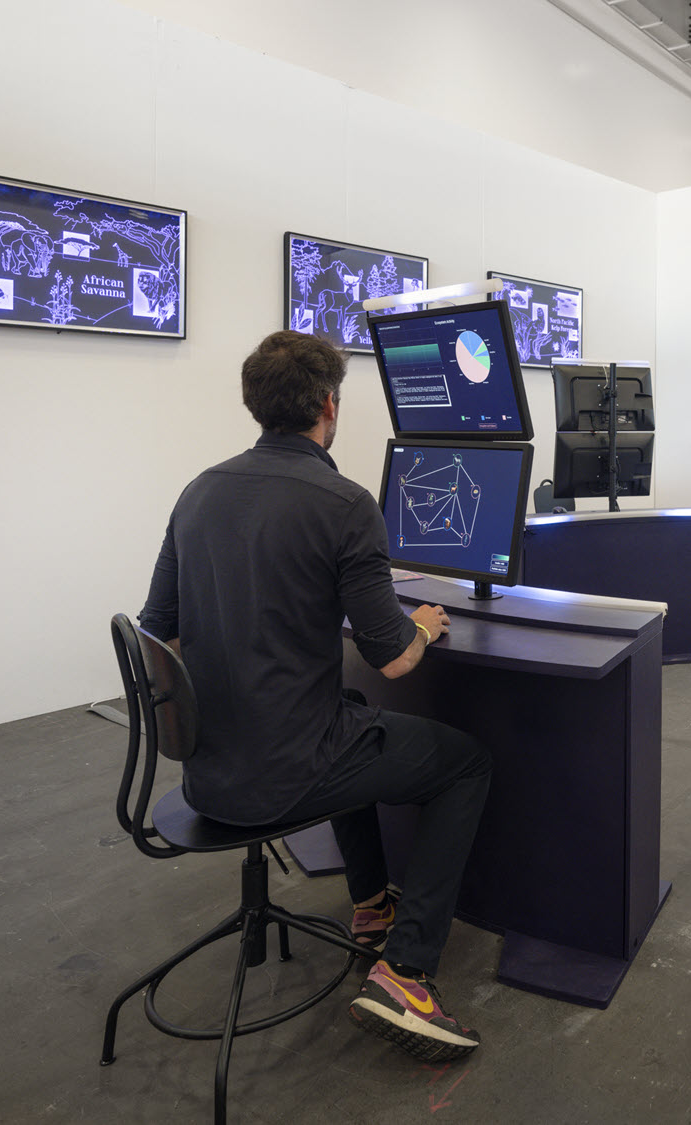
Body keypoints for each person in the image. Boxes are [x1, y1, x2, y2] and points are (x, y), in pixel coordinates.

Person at [139, 330, 491, 1062]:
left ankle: (371, 906)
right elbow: (394, 658)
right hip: (289, 775)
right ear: (329, 405)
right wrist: (424, 626)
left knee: (350, 715)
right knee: (465, 763)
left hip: (208, 774)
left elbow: (158, 633)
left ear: (255, 404)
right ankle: (407, 972)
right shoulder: (345, 503)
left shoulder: (198, 491)